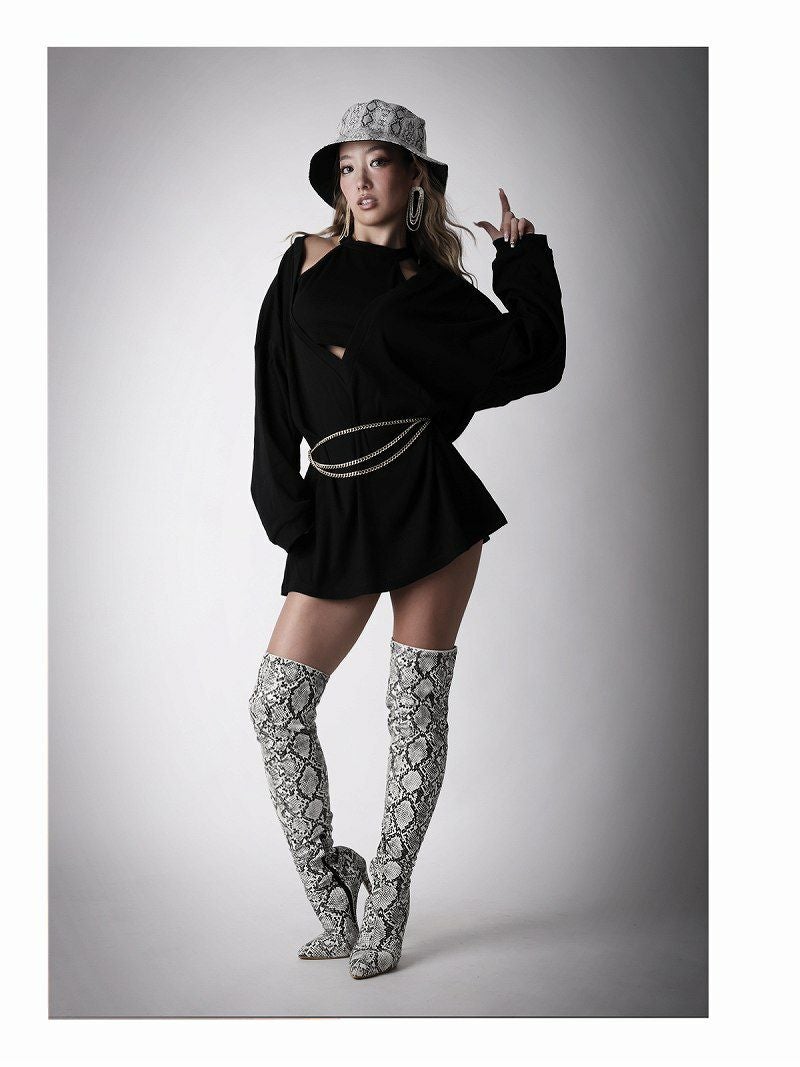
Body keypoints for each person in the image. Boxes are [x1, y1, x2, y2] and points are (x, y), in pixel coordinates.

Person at [247, 98, 567, 980]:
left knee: (413, 714)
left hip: (428, 504)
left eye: (378, 164)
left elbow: (532, 357)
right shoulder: (303, 263)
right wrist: (287, 512)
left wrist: (523, 260)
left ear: (413, 177)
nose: (360, 182)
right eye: (347, 167)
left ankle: (387, 899)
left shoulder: (433, 292)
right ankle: (335, 893)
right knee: (276, 706)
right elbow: (273, 392)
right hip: (335, 509)